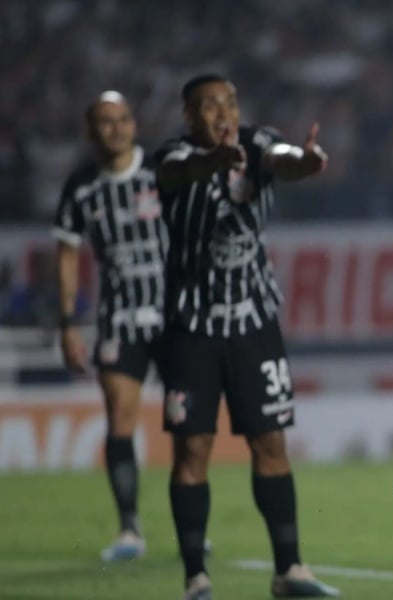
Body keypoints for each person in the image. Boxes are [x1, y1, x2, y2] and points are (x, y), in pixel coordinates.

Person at [154, 74, 339, 599]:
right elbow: (177, 172)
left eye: (229, 101)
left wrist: (307, 161)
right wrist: (213, 163)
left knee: (271, 443)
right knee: (193, 449)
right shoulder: (171, 155)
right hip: (191, 329)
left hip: (254, 323)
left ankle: (290, 571)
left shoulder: (257, 144)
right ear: (190, 116)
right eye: (209, 105)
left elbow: (283, 157)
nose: (222, 111)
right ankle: (196, 577)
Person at [52, 91, 167, 562]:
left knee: (188, 423)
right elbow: (66, 255)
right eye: (105, 121)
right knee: (121, 414)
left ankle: (190, 522)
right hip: (118, 318)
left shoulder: (162, 174)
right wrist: (67, 323)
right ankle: (130, 530)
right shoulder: (81, 187)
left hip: (174, 315)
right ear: (90, 130)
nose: (116, 128)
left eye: (123, 120)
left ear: (134, 124)